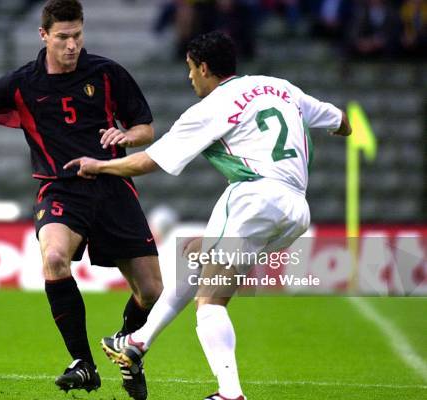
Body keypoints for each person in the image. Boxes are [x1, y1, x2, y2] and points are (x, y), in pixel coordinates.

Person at [65, 31, 351, 400]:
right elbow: (340, 120)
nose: (188, 78)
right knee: (196, 255)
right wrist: (347, 128)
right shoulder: (279, 87)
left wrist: (100, 166)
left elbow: (149, 160)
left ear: (203, 67)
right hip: (295, 210)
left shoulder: (211, 107)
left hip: (254, 196)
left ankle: (230, 393)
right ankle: (137, 341)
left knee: (210, 301)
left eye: (190, 69)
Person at [0, 1, 162, 399]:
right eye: (63, 37)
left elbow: (145, 128)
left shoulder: (108, 73)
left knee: (151, 291)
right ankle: (82, 362)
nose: (72, 45)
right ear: (43, 35)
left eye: (77, 35)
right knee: (55, 258)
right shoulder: (21, 83)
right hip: (59, 189)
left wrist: (126, 136)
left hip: (113, 185)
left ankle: (128, 349)